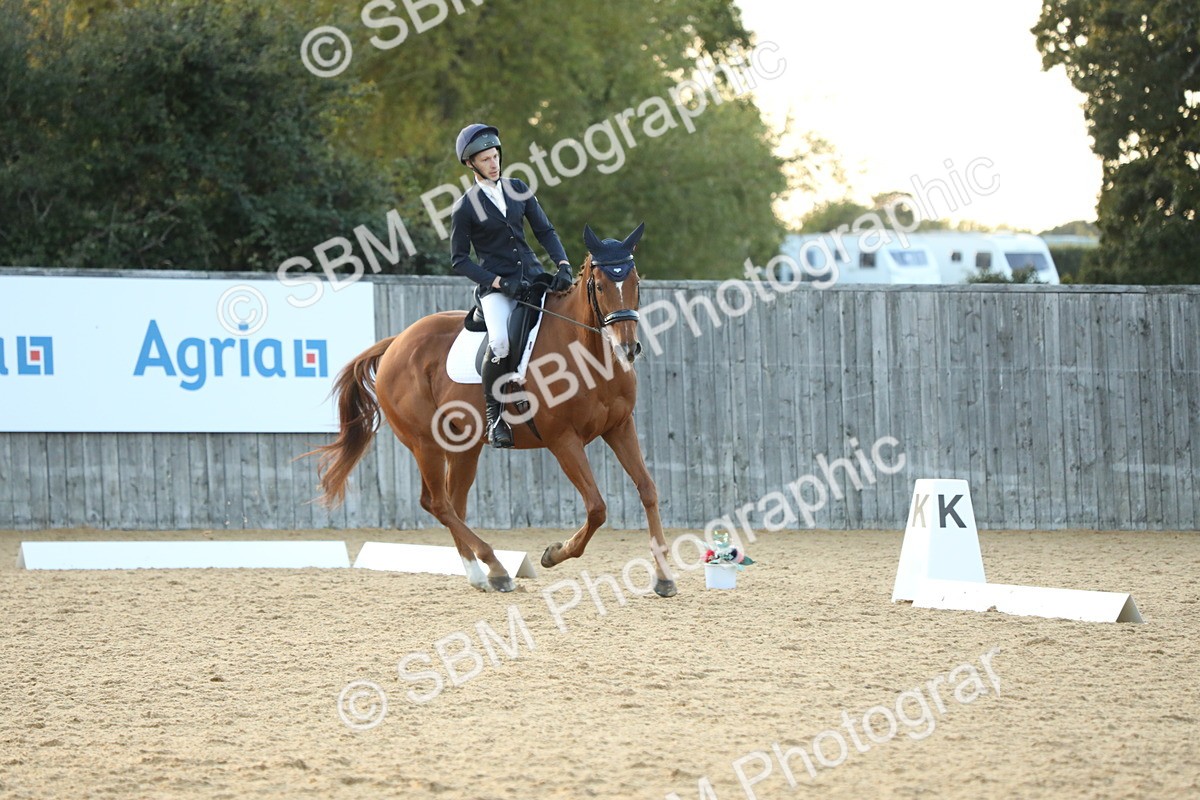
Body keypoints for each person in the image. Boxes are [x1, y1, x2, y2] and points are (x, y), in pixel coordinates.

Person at [450, 123, 573, 448]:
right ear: (470, 164)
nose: (494, 163)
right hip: (496, 288)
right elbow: (459, 260)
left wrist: (562, 264)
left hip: (533, 277)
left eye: (495, 156)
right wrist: (497, 282)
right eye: (486, 159)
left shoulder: (518, 188)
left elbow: (545, 231)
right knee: (501, 342)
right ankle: (496, 418)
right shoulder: (465, 206)